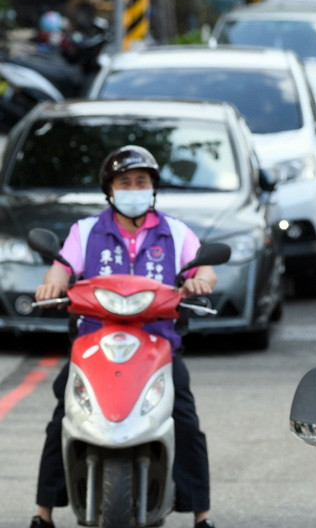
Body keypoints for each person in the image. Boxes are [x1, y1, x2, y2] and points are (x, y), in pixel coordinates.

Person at [30, 146, 217, 528]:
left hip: (157, 342)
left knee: (185, 415)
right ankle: (43, 512)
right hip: (95, 341)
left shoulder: (175, 231)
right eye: (125, 183)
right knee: (61, 412)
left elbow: (205, 268)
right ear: (110, 190)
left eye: (141, 182)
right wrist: (50, 287)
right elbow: (60, 270)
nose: (134, 189)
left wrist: (199, 280)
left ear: (153, 189)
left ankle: (201, 513)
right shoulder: (85, 231)